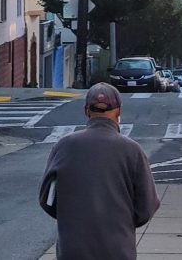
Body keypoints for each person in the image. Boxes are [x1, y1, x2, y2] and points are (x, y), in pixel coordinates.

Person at [39, 83, 160, 260]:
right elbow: (146, 208)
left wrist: (71, 216)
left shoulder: (64, 146)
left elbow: (47, 200)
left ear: (86, 111)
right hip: (118, 250)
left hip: (73, 250)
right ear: (118, 111)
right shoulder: (132, 150)